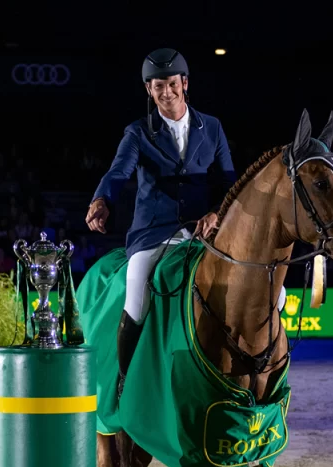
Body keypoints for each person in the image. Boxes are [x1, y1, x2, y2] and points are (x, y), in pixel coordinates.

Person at [85, 48, 237, 399]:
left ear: (185, 83)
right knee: (137, 295)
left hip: (204, 230)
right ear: (148, 90)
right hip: (154, 232)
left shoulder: (212, 127)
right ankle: (125, 379)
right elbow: (119, 171)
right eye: (158, 86)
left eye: (171, 84)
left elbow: (229, 182)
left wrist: (217, 212)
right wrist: (102, 199)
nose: (166, 92)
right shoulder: (138, 132)